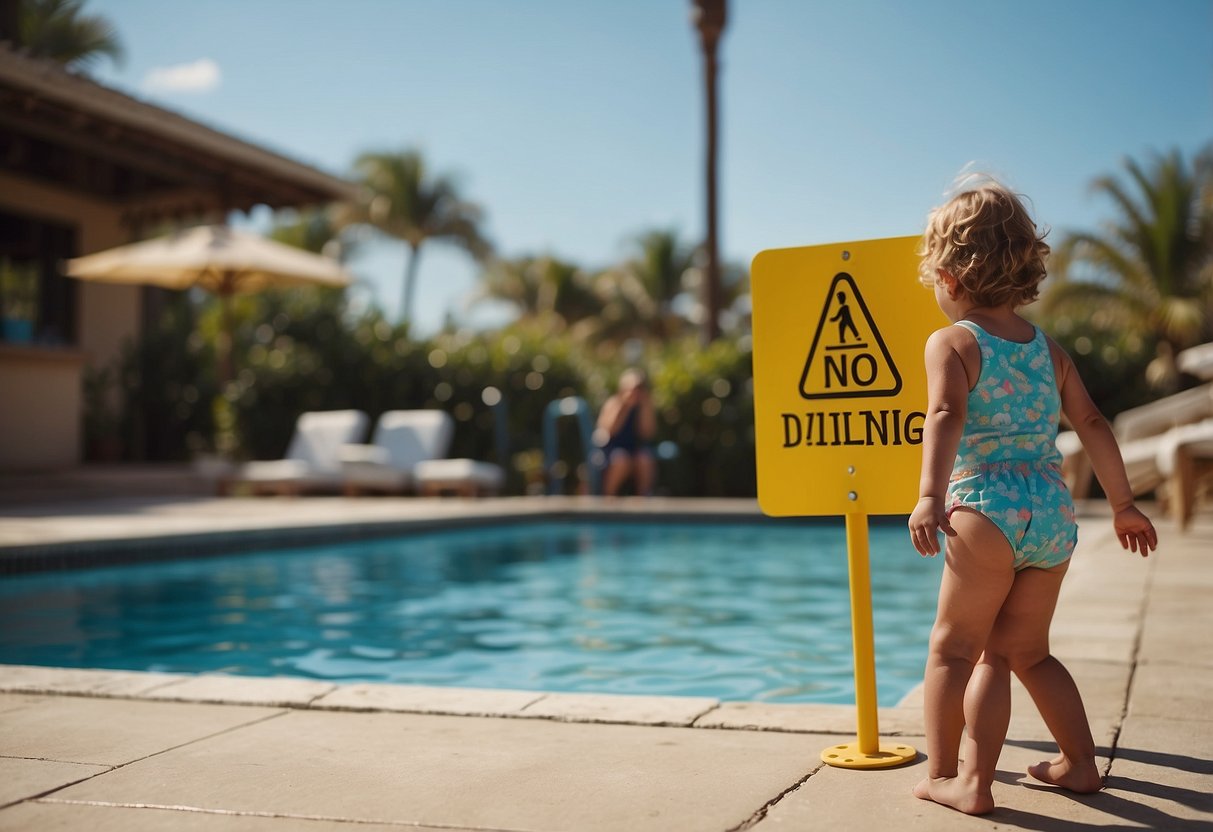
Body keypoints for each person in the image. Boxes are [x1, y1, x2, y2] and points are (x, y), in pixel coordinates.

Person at [907, 181, 1158, 816]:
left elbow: (944, 415)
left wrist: (929, 495)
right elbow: (1094, 424)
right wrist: (1123, 503)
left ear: (949, 277)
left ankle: (954, 777)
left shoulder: (954, 342)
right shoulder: (1047, 349)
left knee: (954, 650)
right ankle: (1079, 764)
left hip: (984, 511)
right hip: (1050, 515)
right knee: (1026, 652)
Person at [595, 368, 657, 496]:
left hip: (634, 449)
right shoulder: (613, 403)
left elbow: (647, 433)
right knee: (621, 460)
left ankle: (643, 498)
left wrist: (644, 406)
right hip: (612, 449)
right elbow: (609, 431)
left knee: (644, 459)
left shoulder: (643, 406)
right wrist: (624, 407)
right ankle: (608, 495)